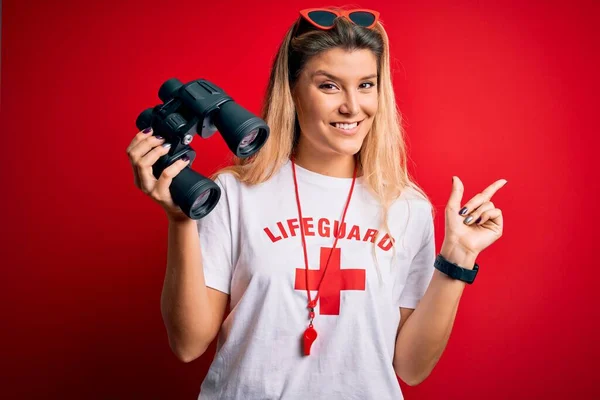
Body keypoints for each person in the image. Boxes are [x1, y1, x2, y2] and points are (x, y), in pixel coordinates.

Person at [126, 7, 507, 400]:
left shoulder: (406, 206)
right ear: (292, 90)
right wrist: (181, 220)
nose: (352, 107)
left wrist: (457, 259)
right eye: (329, 86)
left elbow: (411, 367)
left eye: (365, 85)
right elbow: (188, 345)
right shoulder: (233, 194)